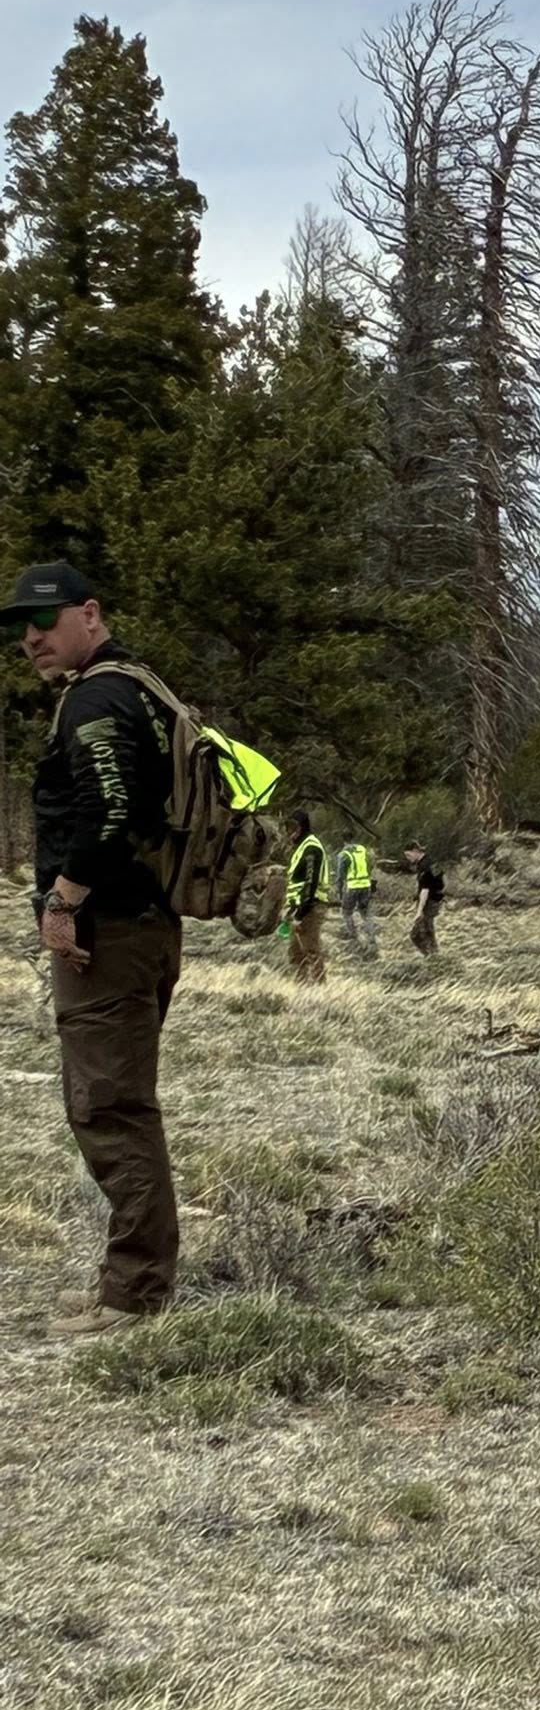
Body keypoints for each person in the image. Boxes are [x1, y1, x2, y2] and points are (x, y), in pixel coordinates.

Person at [2, 562, 181, 1337]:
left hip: (110, 935)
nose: (31, 638)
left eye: (44, 620)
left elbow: (107, 808)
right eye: (21, 628)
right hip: (143, 926)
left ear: (91, 614)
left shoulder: (100, 698)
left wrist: (64, 901)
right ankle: (132, 1274)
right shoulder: (137, 685)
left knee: (108, 1107)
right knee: (117, 1103)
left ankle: (135, 1292)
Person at [285, 811, 330, 982]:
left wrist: (299, 914)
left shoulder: (312, 848)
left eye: (292, 828)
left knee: (311, 949)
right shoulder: (302, 848)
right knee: (296, 952)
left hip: (310, 907)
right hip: (299, 907)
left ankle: (319, 987)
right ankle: (301, 987)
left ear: (301, 827)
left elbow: (310, 884)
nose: (290, 833)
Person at [336, 840, 378, 957]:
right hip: (365, 885)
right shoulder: (363, 851)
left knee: (347, 913)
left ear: (343, 841)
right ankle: (371, 939)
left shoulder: (344, 854)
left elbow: (340, 875)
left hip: (352, 887)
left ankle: (355, 938)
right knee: (366, 914)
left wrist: (339, 892)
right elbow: (370, 866)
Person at [403, 841, 444, 954]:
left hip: (430, 902)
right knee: (428, 932)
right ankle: (435, 957)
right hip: (436, 899)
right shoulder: (430, 861)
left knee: (417, 935)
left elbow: (425, 889)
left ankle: (431, 957)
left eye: (408, 855)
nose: (408, 859)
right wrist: (414, 905)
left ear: (415, 851)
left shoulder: (424, 866)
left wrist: (419, 910)